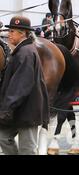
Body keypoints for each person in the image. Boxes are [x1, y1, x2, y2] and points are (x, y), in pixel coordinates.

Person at [0, 16, 49, 155]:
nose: (8, 34)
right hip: (18, 109)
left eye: (12, 32)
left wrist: (5, 109)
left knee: (27, 150)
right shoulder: (21, 50)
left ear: (22, 33)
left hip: (28, 111)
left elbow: (20, 87)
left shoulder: (26, 53)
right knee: (3, 137)